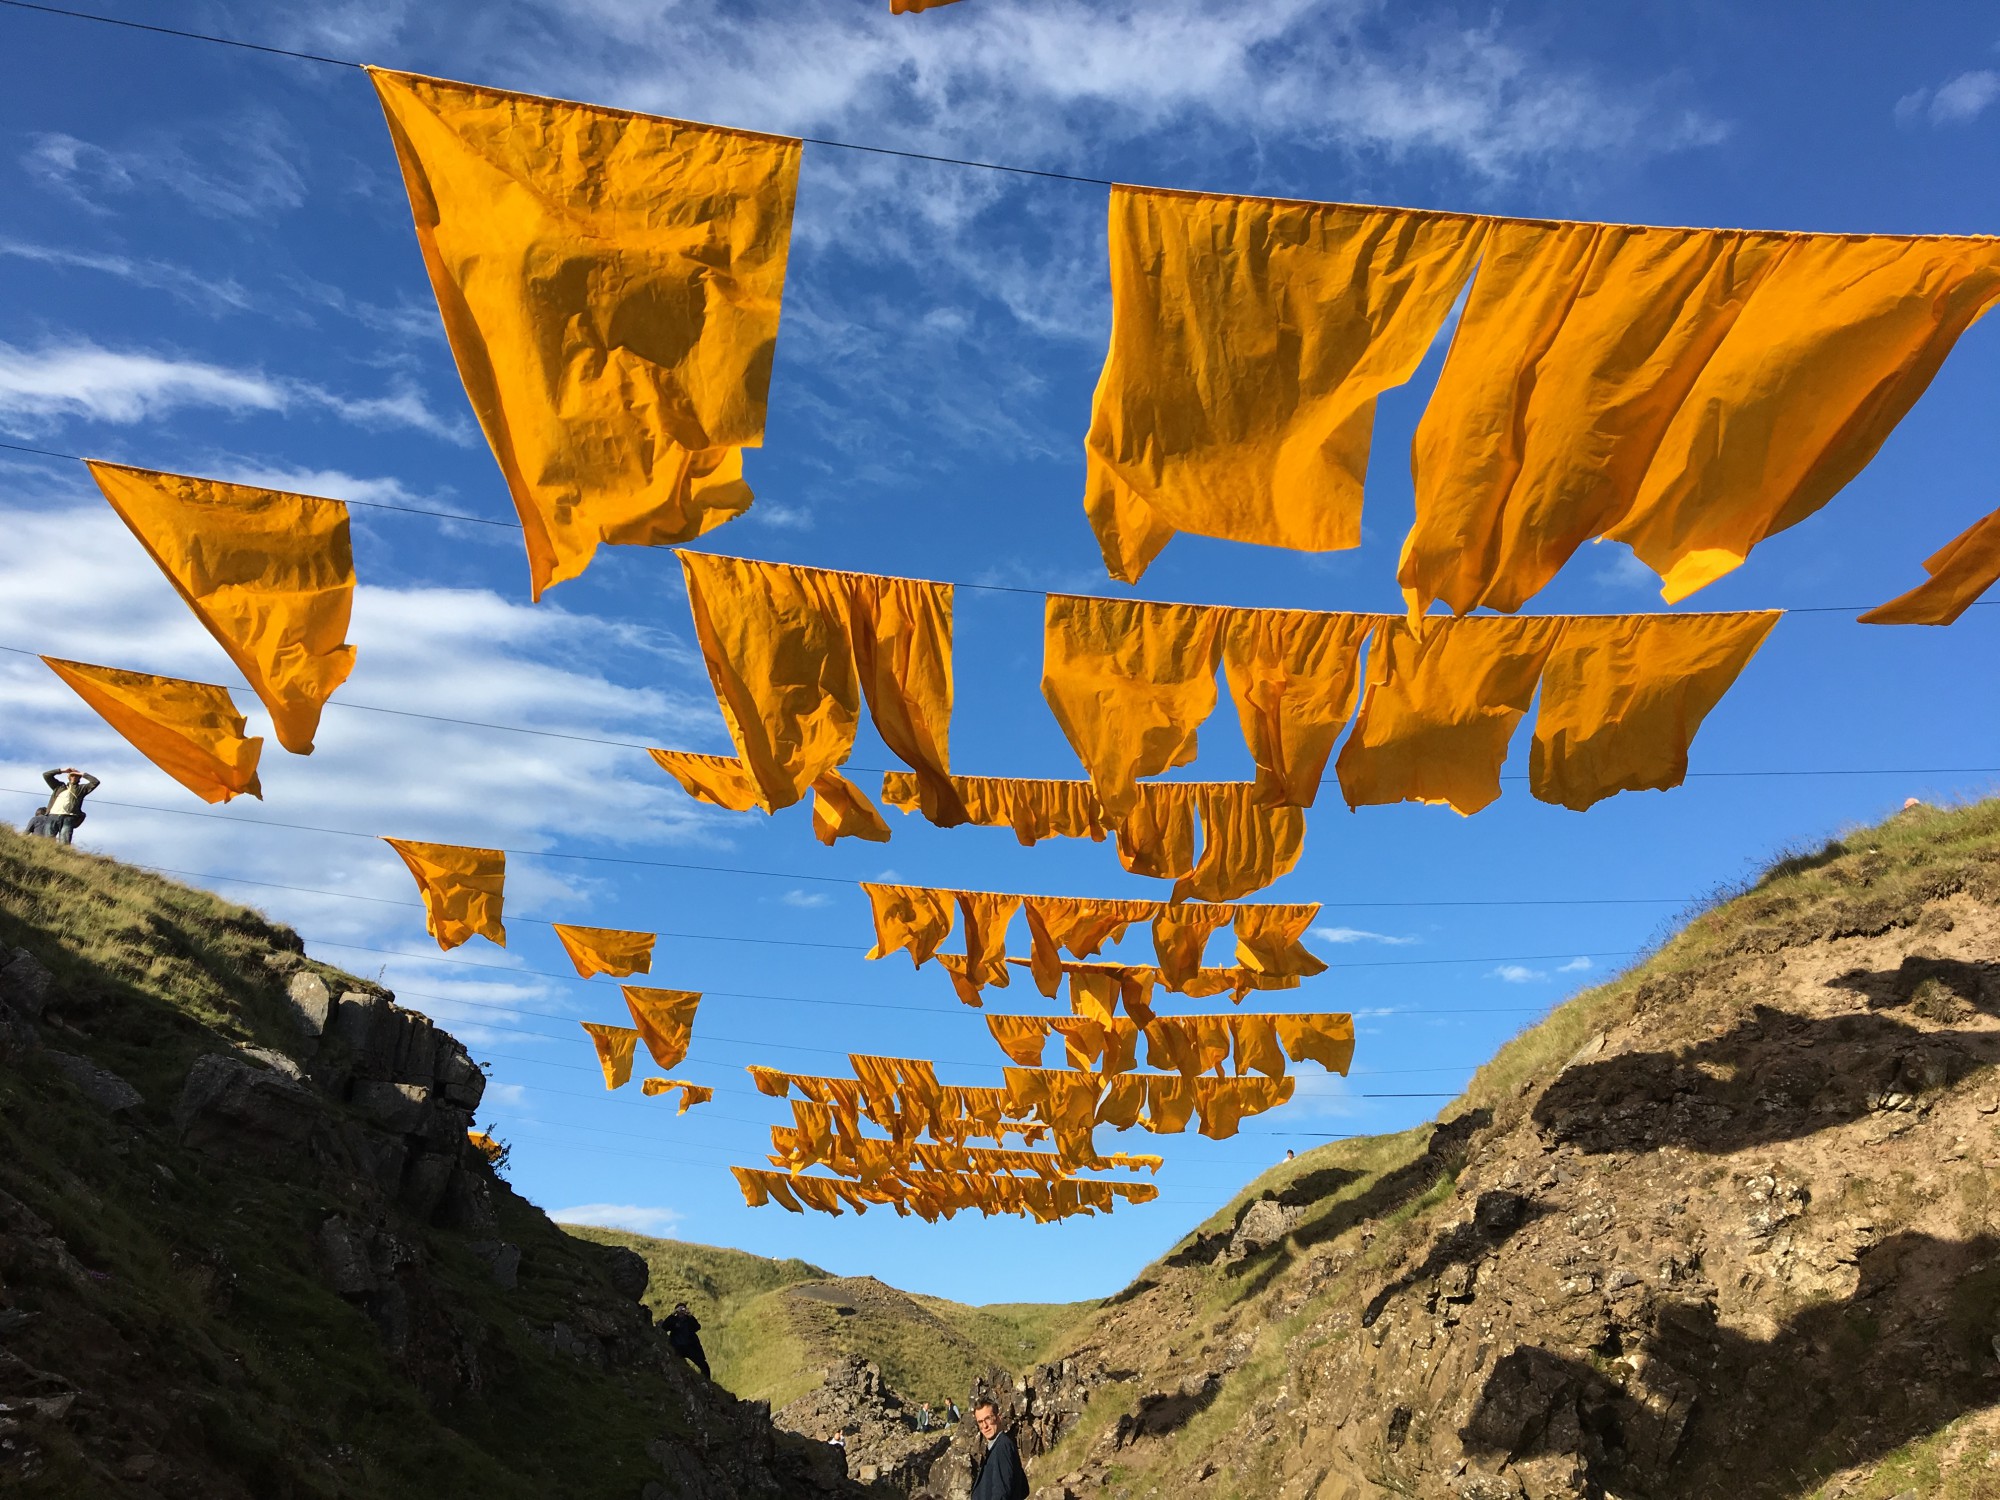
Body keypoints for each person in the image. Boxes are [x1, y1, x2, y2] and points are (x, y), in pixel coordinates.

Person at [970, 1398, 1028, 1500]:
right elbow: (1024, 1488)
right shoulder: (998, 1446)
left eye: (988, 1418)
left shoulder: (1002, 1447)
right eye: (980, 1422)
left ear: (998, 1418)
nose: (985, 1426)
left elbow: (1001, 1493)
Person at [42, 768, 98, 845]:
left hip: (68, 817)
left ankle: (63, 856)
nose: (74, 777)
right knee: (48, 841)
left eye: (76, 776)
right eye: (72, 775)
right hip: (53, 815)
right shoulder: (59, 786)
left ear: (79, 778)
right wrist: (62, 770)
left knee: (65, 842)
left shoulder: (81, 789)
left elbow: (95, 782)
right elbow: (46, 775)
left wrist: (82, 774)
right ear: (68, 777)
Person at [660, 1301, 709, 1379]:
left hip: (691, 1347)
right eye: (679, 1310)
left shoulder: (689, 1320)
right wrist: (673, 1314)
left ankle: (707, 1380)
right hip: (677, 1347)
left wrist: (689, 1315)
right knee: (676, 1364)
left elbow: (697, 1327)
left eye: (683, 1309)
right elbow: (664, 1327)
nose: (681, 1311)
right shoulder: (673, 1320)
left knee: (703, 1364)